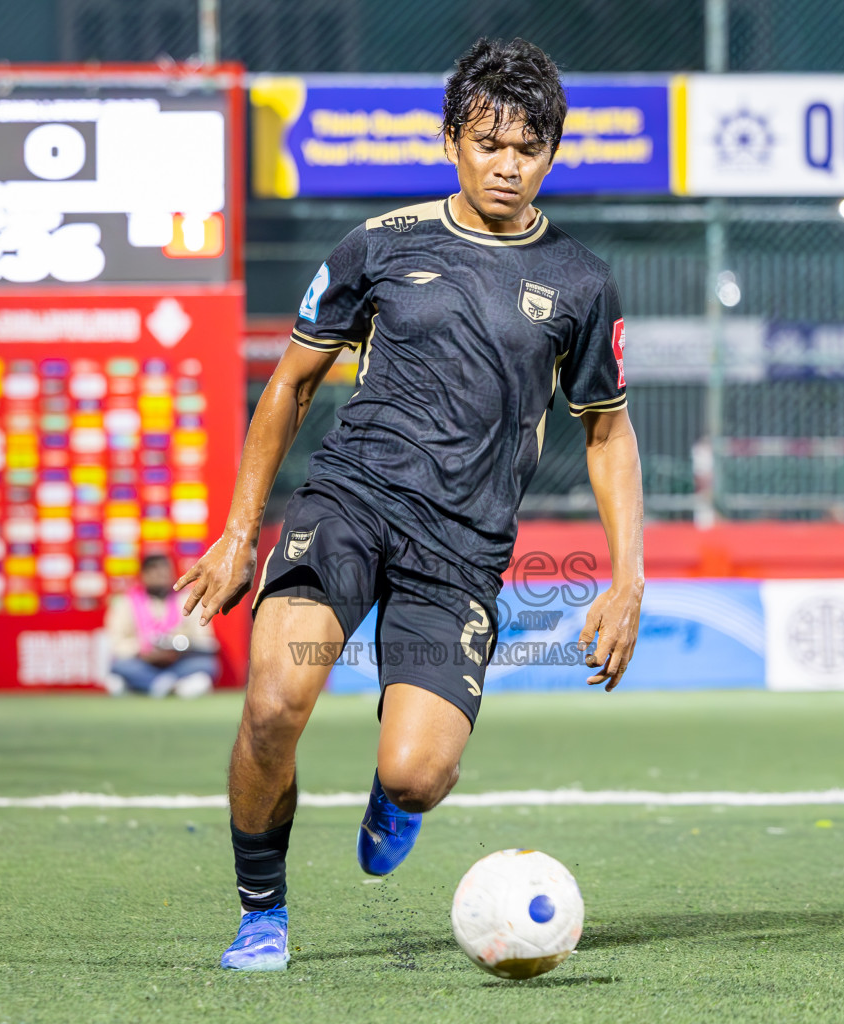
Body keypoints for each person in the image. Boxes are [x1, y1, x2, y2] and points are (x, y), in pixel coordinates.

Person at [175, 38, 645, 971]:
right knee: (275, 702)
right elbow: (290, 385)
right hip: (349, 506)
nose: (507, 165)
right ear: (450, 142)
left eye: (529, 147)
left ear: (553, 153)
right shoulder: (380, 246)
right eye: (488, 143)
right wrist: (238, 532)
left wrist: (628, 577)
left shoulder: (582, 282)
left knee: (419, 773)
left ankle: (395, 798)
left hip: (462, 550)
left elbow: (606, 432)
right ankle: (260, 911)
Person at [104, 553, 220, 699]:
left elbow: (206, 642)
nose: (162, 574)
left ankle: (149, 686)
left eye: (165, 570)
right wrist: (143, 651)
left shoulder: (187, 600)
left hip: (178, 662)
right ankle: (170, 687)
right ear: (144, 574)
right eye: (155, 570)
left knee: (207, 665)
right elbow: (116, 643)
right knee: (119, 666)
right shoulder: (126, 602)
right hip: (143, 662)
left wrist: (179, 647)